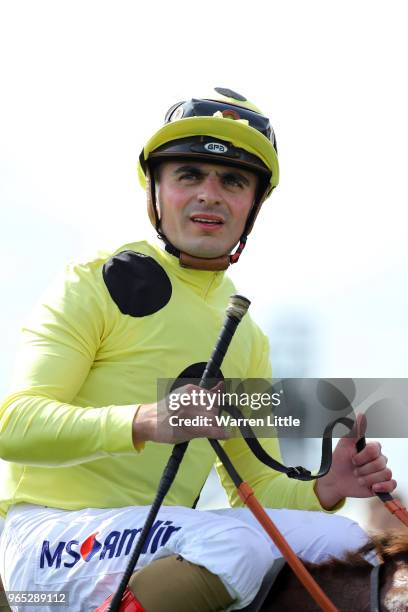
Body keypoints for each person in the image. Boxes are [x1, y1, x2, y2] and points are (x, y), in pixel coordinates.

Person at [0, 87, 396, 612]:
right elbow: (13, 425)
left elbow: (256, 488)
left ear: (252, 203)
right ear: (156, 190)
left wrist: (327, 488)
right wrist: (145, 421)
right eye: (189, 175)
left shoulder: (247, 336)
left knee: (355, 545)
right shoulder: (90, 282)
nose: (210, 194)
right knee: (233, 544)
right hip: (46, 539)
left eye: (232, 181)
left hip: (159, 540)